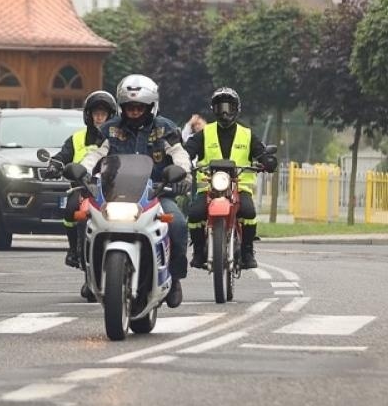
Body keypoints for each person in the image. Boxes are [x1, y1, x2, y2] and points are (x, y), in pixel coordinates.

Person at [69, 73, 192, 300]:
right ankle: (89, 276)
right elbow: (95, 154)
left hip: (156, 193)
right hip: (115, 195)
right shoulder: (109, 129)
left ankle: (174, 280)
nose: (134, 112)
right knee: (85, 219)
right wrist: (83, 173)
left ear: (151, 107)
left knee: (178, 224)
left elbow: (179, 155)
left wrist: (183, 176)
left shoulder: (165, 129)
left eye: (139, 107)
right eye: (129, 107)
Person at [184, 87, 277, 271]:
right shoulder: (205, 133)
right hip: (209, 187)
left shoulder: (247, 134)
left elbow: (261, 152)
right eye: (220, 108)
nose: (224, 112)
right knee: (194, 214)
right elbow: (188, 150)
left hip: (240, 186)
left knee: (249, 212)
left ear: (236, 109)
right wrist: (184, 160)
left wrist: (267, 161)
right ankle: (198, 252)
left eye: (229, 107)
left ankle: (248, 251)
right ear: (214, 110)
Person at [49, 90, 116, 268]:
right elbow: (62, 155)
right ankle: (73, 250)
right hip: (83, 188)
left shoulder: (118, 138)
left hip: (113, 189)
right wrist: (55, 165)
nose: (100, 117)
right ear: (89, 115)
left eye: (104, 114)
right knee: (70, 209)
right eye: (96, 113)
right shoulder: (77, 138)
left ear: (111, 116)